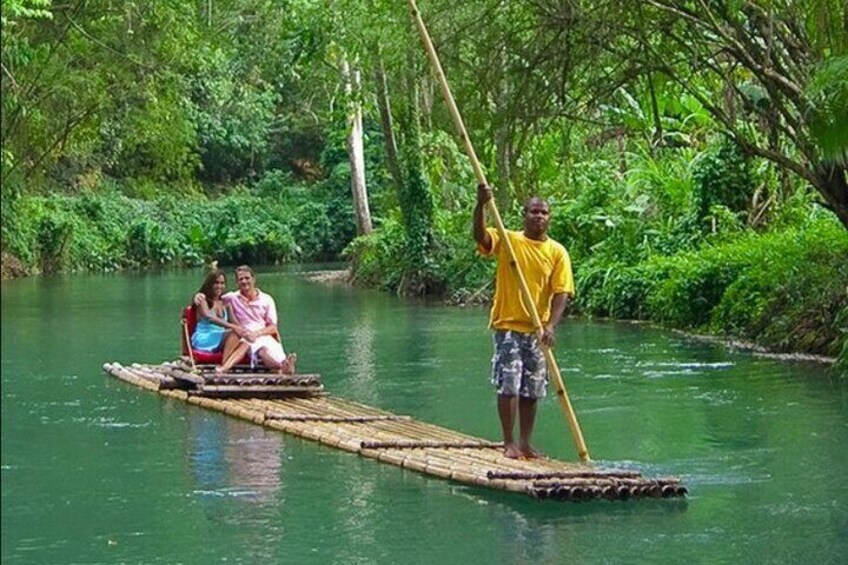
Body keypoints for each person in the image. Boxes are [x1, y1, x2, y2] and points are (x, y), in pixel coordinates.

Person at [473, 184, 574, 459]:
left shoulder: (557, 252)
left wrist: (551, 325)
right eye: (534, 212)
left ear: (549, 217)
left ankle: (525, 442)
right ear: (524, 215)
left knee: (532, 389)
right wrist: (481, 204)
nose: (539, 216)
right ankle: (508, 443)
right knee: (509, 384)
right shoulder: (509, 240)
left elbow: (561, 292)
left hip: (537, 330)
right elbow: (480, 237)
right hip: (508, 326)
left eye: (544, 213)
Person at [197, 265, 296, 375]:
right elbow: (209, 308)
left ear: (254, 279)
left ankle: (284, 366)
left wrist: (255, 333)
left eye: (247, 278)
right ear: (237, 283)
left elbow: (273, 327)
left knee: (264, 350)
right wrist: (197, 295)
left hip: (261, 333)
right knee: (250, 343)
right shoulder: (231, 298)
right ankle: (225, 367)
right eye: (241, 279)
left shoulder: (267, 299)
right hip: (244, 335)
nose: (244, 282)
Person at [190, 270, 243, 353]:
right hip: (205, 338)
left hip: (220, 336)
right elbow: (209, 317)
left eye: (222, 283)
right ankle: (225, 363)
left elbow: (236, 323)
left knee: (241, 335)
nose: (219, 286)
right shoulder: (202, 300)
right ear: (210, 284)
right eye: (216, 283)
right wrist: (233, 327)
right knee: (234, 332)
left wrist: (247, 332)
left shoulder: (226, 303)